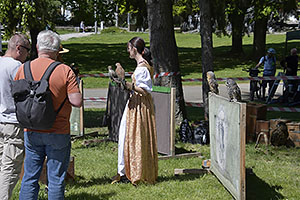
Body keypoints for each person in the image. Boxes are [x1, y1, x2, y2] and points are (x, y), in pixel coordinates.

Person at [16, 30, 82, 200]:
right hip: (58, 130)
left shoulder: (22, 68)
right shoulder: (65, 71)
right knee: (55, 180)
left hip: (31, 129)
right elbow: (76, 102)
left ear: (37, 47)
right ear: (57, 50)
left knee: (30, 177)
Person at [112, 37, 158, 185]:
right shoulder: (142, 66)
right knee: (129, 135)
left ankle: (132, 172)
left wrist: (126, 84)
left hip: (139, 105)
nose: (128, 51)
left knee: (131, 136)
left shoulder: (142, 68)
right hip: (136, 103)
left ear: (135, 49)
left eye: (129, 48)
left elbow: (144, 90)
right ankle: (126, 171)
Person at [0, 33, 30, 200]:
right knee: (10, 169)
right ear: (19, 48)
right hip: (12, 122)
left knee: (0, 167)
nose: (28, 55)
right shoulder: (16, 67)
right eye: (27, 50)